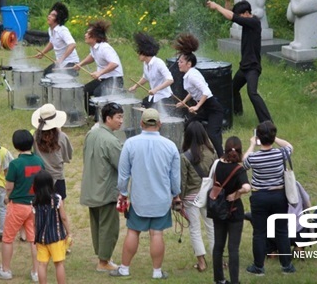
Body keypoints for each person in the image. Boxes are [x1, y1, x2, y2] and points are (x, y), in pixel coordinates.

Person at [110, 108, 181, 279]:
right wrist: (176, 194)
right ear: (159, 124)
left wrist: (123, 192)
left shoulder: (130, 143)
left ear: (141, 124)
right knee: (157, 233)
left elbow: (123, 173)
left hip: (139, 199)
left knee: (133, 231)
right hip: (161, 199)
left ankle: (125, 268)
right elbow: (175, 176)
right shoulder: (170, 146)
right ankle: (157, 272)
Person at [0, 130, 44, 282]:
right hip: (34, 205)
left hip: (17, 205)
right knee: (33, 239)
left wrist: (7, 198)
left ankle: (5, 270)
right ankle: (36, 271)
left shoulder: (15, 164)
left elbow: (9, 186)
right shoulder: (39, 161)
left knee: (8, 238)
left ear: (16, 145)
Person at [242, 120, 296, 275]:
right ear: (272, 137)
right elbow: (289, 146)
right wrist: (275, 138)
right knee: (281, 231)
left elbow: (243, 162)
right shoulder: (281, 153)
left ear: (259, 137)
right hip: (279, 195)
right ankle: (286, 266)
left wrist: (252, 144)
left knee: (259, 232)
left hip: (259, 196)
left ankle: (258, 267)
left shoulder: (254, 158)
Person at [207, 0, 272, 123]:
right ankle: (238, 112)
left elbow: (233, 17)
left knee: (252, 93)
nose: (240, 19)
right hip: (244, 67)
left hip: (253, 67)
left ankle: (267, 121)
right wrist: (227, 3)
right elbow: (233, 15)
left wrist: (217, 6)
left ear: (247, 13)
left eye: (241, 15)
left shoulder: (254, 22)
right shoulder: (248, 20)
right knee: (233, 88)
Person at [80, 102, 124, 272]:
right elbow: (122, 166)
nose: (121, 121)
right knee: (109, 228)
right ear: (108, 118)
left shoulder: (92, 133)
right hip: (105, 189)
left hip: (91, 186)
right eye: (118, 117)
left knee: (97, 225)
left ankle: (103, 257)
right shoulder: (111, 140)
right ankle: (103, 262)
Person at [174, 33, 224, 157]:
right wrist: (184, 102)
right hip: (206, 108)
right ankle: (189, 150)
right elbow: (193, 92)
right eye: (178, 61)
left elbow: (206, 91)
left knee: (212, 133)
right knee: (189, 125)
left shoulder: (193, 75)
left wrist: (196, 107)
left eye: (181, 62)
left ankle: (221, 157)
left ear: (189, 64)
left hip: (213, 109)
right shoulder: (188, 75)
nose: (178, 64)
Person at [211, 136, 251, 284]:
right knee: (233, 249)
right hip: (234, 210)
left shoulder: (216, 164)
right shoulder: (239, 169)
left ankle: (219, 279)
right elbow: (247, 187)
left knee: (218, 246)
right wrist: (237, 193)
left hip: (218, 209)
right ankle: (235, 281)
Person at [179, 121, 217, 272]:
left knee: (194, 229)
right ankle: (217, 261)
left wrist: (179, 200)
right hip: (208, 195)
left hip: (190, 198)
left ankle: (201, 262)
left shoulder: (184, 157)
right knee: (212, 228)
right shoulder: (212, 153)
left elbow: (182, 181)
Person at [74, 21, 124, 117]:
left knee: (98, 93)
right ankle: (92, 115)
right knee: (85, 90)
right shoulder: (93, 47)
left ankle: (101, 118)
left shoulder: (105, 48)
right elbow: (92, 57)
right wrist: (80, 64)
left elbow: (114, 63)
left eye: (88, 33)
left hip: (115, 79)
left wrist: (99, 72)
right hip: (103, 78)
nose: (85, 35)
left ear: (95, 37)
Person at [32, 170, 71, 284]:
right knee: (59, 263)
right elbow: (63, 217)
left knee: (42, 264)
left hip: (41, 239)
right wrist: (68, 232)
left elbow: (34, 223)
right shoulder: (57, 199)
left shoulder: (34, 202)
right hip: (56, 237)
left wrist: (36, 235)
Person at [31, 104, 73, 200]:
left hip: (41, 176)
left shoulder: (35, 136)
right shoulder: (62, 137)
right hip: (57, 177)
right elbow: (68, 156)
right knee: (60, 208)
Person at [128, 32, 174, 109]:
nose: (138, 56)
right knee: (143, 105)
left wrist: (156, 89)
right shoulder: (145, 64)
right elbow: (145, 77)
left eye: (139, 53)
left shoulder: (159, 63)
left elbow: (170, 80)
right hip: (154, 96)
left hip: (164, 97)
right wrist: (135, 86)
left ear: (144, 53)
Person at [35, 2, 80, 76]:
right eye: (50, 14)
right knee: (45, 74)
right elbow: (52, 42)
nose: (49, 16)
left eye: (53, 15)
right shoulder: (51, 29)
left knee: (59, 80)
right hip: (60, 63)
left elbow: (72, 45)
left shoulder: (62, 30)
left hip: (71, 63)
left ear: (58, 19)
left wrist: (61, 59)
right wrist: (42, 53)